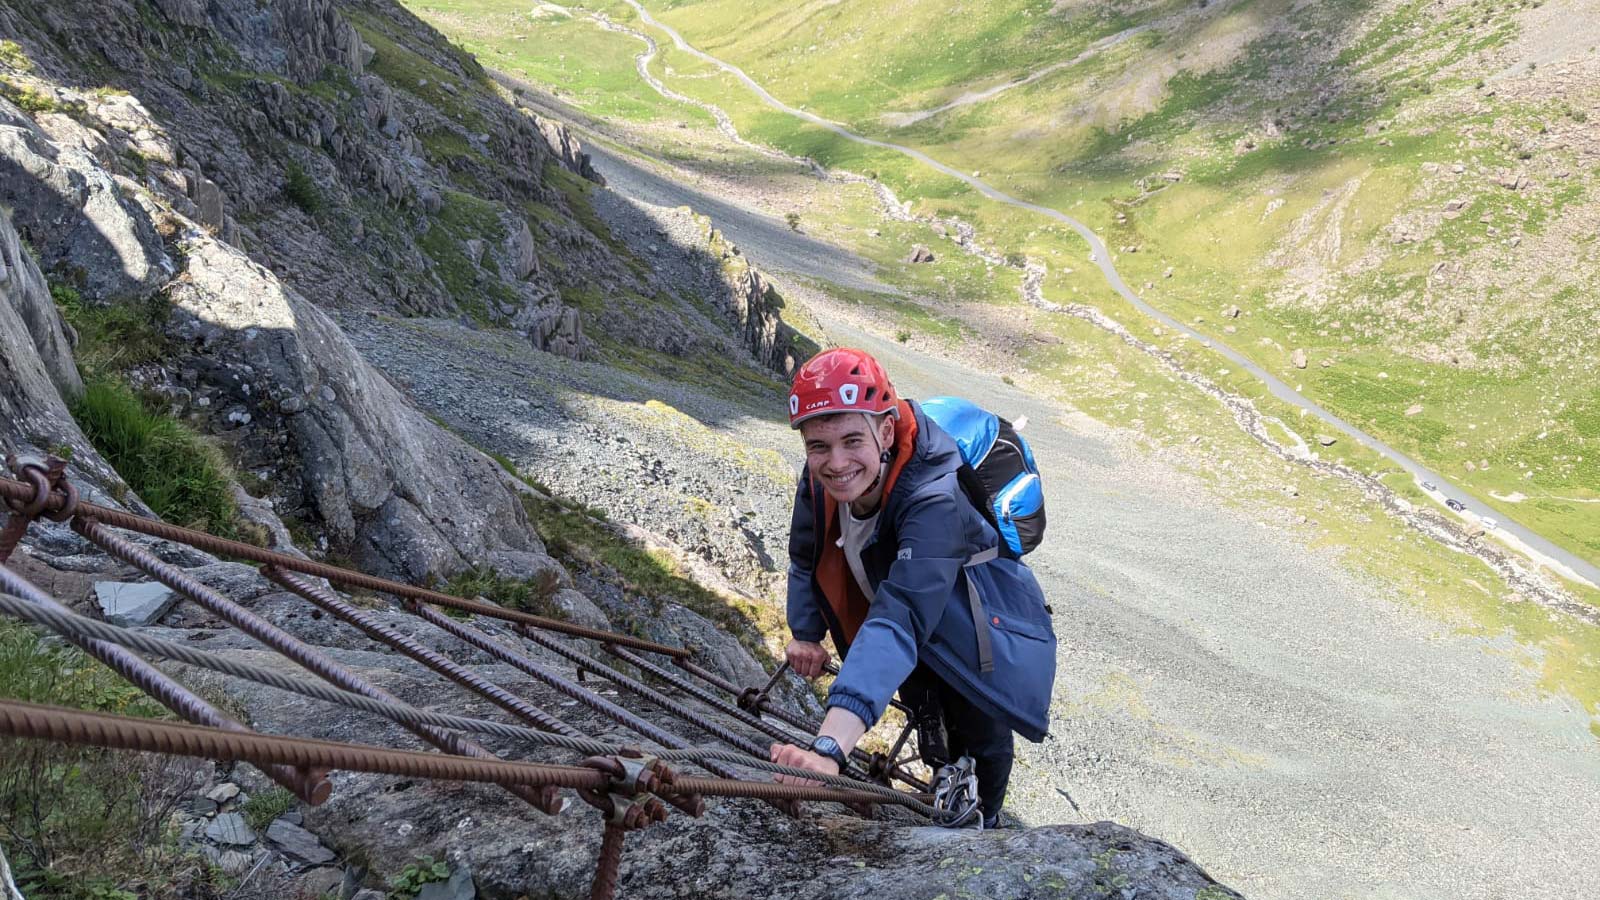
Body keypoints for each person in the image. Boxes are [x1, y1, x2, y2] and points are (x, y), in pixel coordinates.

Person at [768, 347, 1057, 827]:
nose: (836, 463)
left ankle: (989, 820)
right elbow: (808, 552)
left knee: (979, 720)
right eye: (818, 446)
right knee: (925, 706)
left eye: (851, 441)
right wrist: (805, 631)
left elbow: (900, 615)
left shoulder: (934, 494)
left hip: (971, 615)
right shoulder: (823, 471)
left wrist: (828, 749)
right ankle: (945, 772)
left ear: (885, 430)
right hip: (902, 595)